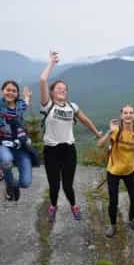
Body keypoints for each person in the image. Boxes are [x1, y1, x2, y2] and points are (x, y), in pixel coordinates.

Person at [39, 51, 102, 222]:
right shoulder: (47, 105)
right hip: (51, 151)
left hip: (69, 150)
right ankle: (53, 206)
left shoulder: (72, 106)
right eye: (59, 88)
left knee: (67, 185)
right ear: (52, 92)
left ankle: (74, 205)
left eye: (64, 89)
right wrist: (52, 63)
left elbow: (85, 120)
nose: (62, 90)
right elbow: (43, 80)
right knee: (54, 185)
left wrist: (97, 134)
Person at [0, 50, 38, 201]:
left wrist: (27, 97)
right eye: (8, 90)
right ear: (3, 91)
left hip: (20, 146)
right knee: (6, 161)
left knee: (26, 183)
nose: (10, 92)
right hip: (3, 144)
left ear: (17, 94)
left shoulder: (20, 106)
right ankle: (9, 183)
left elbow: (26, 103)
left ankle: (16, 185)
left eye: (14, 91)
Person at [97, 105, 134, 237]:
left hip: (129, 171)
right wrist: (109, 132)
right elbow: (100, 144)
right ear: (121, 116)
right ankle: (112, 225)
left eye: (131, 113)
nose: (128, 115)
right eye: (125, 113)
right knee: (113, 201)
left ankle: (131, 220)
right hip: (113, 171)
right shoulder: (116, 130)